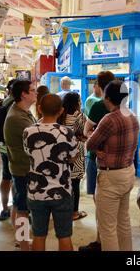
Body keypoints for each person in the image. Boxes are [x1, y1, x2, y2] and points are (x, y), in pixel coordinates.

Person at [86, 80, 139, 251]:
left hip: (111, 177)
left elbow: (90, 144)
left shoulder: (109, 119)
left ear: (107, 98)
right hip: (128, 172)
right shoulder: (132, 115)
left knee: (107, 228)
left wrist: (98, 146)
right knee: (123, 221)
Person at [23, 94, 78, 251]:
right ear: (61, 111)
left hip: (36, 192)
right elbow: (73, 158)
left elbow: (29, 153)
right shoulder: (67, 133)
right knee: (64, 236)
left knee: (39, 235)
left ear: (39, 109)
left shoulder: (28, 132)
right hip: (63, 191)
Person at [79, 71, 115, 252]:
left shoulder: (98, 105)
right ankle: (107, 238)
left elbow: (86, 132)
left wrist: (95, 140)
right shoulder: (123, 107)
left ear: (99, 86)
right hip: (118, 161)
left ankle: (101, 240)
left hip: (97, 157)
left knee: (99, 201)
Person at [3, 80, 37, 251]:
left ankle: (20, 239)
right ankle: (23, 244)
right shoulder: (17, 117)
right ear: (24, 94)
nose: (36, 92)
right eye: (33, 90)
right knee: (23, 209)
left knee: (18, 205)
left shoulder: (23, 112)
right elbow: (38, 139)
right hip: (23, 170)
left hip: (22, 168)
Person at [58, 92, 88, 221]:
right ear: (76, 103)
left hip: (60, 152)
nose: (80, 104)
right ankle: (74, 212)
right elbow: (85, 133)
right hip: (75, 151)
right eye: (79, 101)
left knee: (63, 181)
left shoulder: (60, 115)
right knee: (75, 183)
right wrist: (81, 136)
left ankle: (62, 210)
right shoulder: (79, 116)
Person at [0, 79, 16, 221]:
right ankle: (18, 209)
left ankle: (5, 208)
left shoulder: (4, 102)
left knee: (6, 178)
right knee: (17, 179)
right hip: (13, 148)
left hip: (4, 147)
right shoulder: (15, 104)